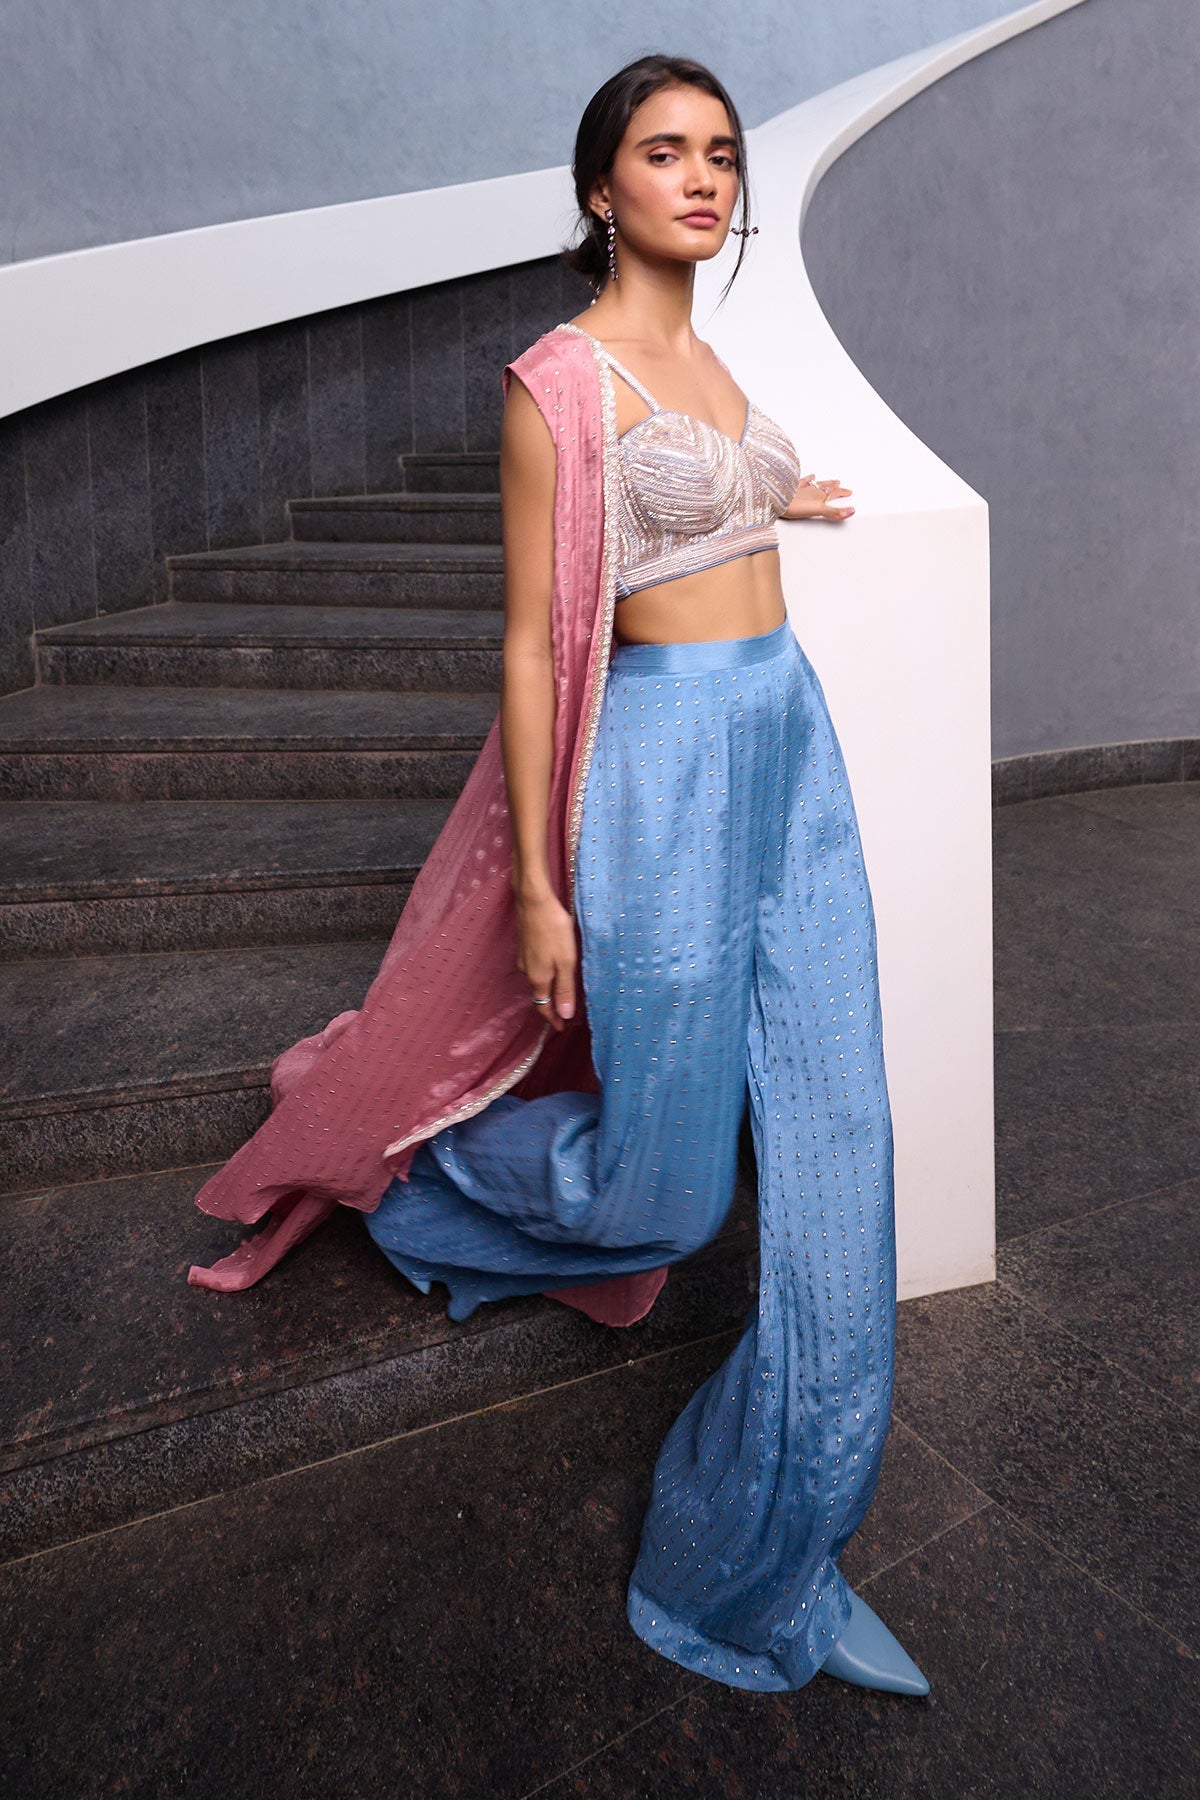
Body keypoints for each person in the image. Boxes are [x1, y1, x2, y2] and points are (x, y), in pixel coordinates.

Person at [189, 51, 929, 1698]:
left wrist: (783, 493)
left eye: (720, 152)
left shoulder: (713, 359)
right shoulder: (557, 382)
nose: (705, 176)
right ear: (601, 189)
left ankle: (765, 1562)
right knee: (676, 1192)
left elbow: (702, 504)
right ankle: (415, 1165)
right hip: (659, 778)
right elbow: (533, 643)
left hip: (790, 751)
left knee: (842, 1147)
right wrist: (537, 884)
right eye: (665, 152)